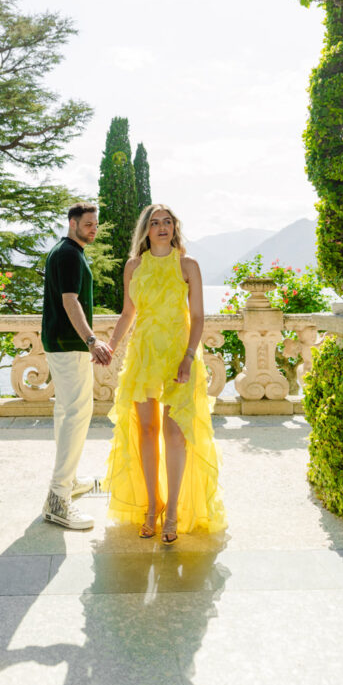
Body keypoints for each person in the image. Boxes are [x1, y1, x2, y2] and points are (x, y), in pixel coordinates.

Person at [102, 204, 226, 543]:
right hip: (144, 355)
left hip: (178, 355)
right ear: (146, 230)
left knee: (174, 434)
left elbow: (197, 317)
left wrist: (188, 356)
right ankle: (151, 504)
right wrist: (111, 346)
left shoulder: (188, 265)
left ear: (174, 227)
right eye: (155, 222)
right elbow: (128, 312)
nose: (161, 227)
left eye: (167, 222)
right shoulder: (133, 266)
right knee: (146, 431)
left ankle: (172, 511)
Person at [41, 202, 112, 530]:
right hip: (69, 345)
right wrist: (91, 340)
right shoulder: (69, 254)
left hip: (61, 343)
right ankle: (58, 498)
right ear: (72, 223)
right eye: (87, 224)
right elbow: (70, 301)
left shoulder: (65, 251)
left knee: (66, 412)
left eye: (95, 224)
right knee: (78, 413)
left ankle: (67, 483)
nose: (93, 229)